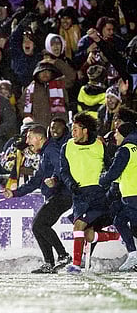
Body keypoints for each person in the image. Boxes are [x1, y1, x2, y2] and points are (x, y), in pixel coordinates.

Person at [3, 125, 72, 273]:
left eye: (29, 137)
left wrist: (54, 179)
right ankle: (49, 262)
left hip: (62, 195)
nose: (27, 141)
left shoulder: (51, 150)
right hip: (56, 195)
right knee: (38, 226)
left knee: (39, 225)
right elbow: (35, 181)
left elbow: (62, 167)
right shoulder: (44, 153)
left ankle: (63, 255)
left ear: (39, 138)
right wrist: (14, 193)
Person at [60, 111, 120, 274]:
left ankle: (76, 265)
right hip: (79, 195)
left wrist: (108, 185)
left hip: (97, 195)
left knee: (78, 226)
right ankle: (117, 236)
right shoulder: (67, 147)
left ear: (85, 130)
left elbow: (110, 167)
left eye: (75, 129)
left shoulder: (99, 145)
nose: (72, 133)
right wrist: (71, 184)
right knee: (88, 234)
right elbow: (63, 171)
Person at [99, 122, 137, 271]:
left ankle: (133, 255)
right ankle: (133, 254)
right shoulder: (135, 149)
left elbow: (114, 172)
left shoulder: (125, 150)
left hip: (132, 195)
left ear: (124, 134)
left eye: (116, 132)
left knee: (120, 221)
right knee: (123, 222)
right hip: (131, 194)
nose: (114, 136)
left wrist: (101, 180)